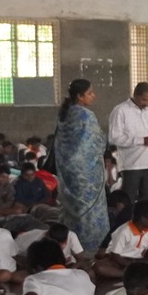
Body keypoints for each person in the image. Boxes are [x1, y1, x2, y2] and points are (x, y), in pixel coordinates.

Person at [51, 79, 111, 256]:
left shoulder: (65, 114)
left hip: (68, 173)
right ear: (80, 96)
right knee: (89, 213)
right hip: (86, 174)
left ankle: (70, 248)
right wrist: (102, 140)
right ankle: (90, 250)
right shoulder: (86, 115)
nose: (94, 96)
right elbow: (95, 142)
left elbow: (62, 144)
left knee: (72, 211)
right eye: (90, 93)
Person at [108, 81, 148, 206]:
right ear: (135, 95)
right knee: (129, 200)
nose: (147, 103)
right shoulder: (121, 110)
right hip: (132, 165)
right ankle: (128, 219)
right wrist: (141, 140)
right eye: (144, 100)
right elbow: (114, 138)